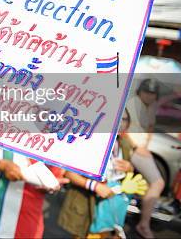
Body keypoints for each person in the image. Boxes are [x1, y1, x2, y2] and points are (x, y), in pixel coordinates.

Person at [59, 109, 147, 238]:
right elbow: (68, 173)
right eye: (116, 118)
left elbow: (127, 176)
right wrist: (95, 186)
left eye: (123, 119)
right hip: (86, 209)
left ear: (128, 124)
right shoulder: (89, 140)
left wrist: (130, 168)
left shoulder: (124, 144)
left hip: (112, 212)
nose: (119, 123)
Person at [0, 143, 67, 239]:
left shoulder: (53, 141)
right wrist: (4, 165)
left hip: (26, 224)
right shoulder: (4, 131)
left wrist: (52, 185)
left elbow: (56, 178)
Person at [125, 79, 165, 239]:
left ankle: (142, 212)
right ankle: (144, 224)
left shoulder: (150, 108)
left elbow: (150, 128)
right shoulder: (132, 104)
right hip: (132, 149)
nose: (149, 96)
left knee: (148, 184)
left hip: (141, 149)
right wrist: (138, 147)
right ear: (140, 92)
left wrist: (145, 145)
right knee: (158, 182)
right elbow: (123, 127)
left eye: (152, 93)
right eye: (146, 92)